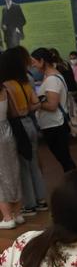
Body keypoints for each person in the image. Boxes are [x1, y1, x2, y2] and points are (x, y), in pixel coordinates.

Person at [0, 47, 47, 216]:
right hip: (30, 122)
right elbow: (36, 104)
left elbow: (8, 112)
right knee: (34, 163)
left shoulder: (6, 85)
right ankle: (41, 200)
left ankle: (30, 204)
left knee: (22, 167)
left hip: (17, 126)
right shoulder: (27, 80)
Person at [30, 47, 76, 172]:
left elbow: (52, 105)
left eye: (34, 62)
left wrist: (35, 104)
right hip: (52, 123)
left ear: (42, 61)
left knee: (64, 158)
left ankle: (75, 182)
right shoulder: (50, 76)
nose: (33, 65)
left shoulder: (52, 79)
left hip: (55, 124)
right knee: (64, 158)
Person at [0, 70, 22, 229]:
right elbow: (14, 112)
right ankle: (17, 213)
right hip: (7, 130)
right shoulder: (5, 89)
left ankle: (7, 217)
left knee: (1, 177)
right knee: (13, 171)